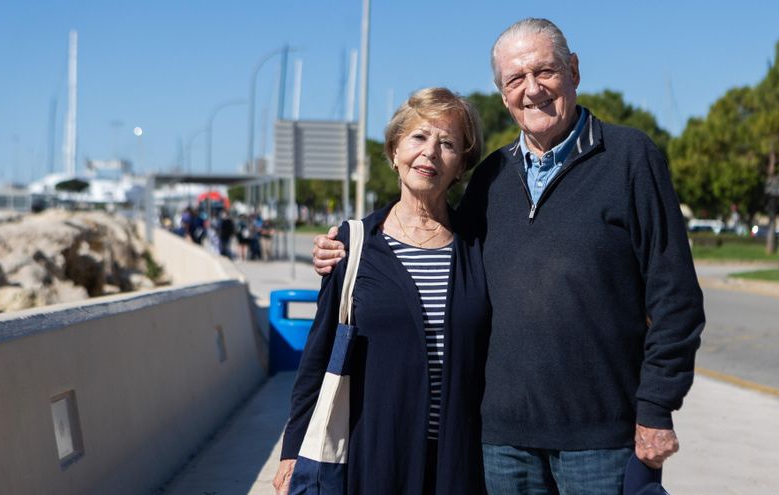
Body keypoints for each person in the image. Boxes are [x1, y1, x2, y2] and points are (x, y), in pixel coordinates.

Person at [312, 18, 705, 494]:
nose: (532, 89)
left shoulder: (630, 158)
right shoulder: (491, 178)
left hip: (601, 439)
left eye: (545, 71)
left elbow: (675, 297)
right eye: (516, 78)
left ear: (574, 71)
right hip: (501, 444)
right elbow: (431, 230)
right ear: (503, 95)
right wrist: (351, 241)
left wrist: (657, 407)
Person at [274, 87, 490, 495]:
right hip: (375, 455)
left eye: (447, 143)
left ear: (461, 165)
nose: (430, 152)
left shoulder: (479, 247)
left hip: (459, 460)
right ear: (394, 151)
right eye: (419, 137)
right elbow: (318, 354)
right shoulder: (351, 244)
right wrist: (293, 448)